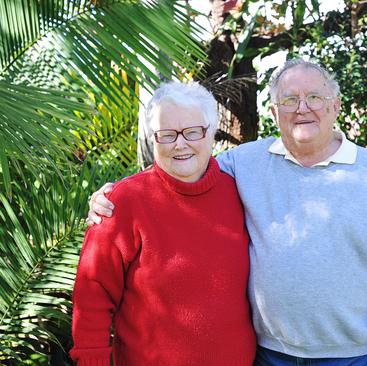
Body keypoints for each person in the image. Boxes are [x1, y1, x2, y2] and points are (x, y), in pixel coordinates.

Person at [87, 59, 367, 366]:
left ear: (335, 105)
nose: (302, 109)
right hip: (268, 355)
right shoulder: (245, 163)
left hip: (348, 356)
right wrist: (111, 195)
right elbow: (183, 165)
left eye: (315, 97)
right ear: (274, 112)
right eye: (289, 100)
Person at [71, 82, 256, 365]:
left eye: (193, 132)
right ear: (153, 138)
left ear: (212, 132)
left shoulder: (240, 191)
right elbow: (92, 294)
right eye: (167, 135)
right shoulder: (123, 201)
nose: (180, 144)